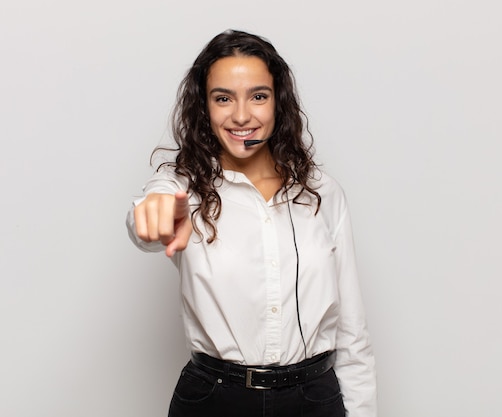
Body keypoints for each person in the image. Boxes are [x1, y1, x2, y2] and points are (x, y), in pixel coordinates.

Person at [126, 29, 377, 417]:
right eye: (223, 98)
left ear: (279, 102)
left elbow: (352, 331)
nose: (241, 115)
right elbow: (147, 218)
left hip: (314, 398)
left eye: (258, 96)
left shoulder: (323, 193)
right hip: (214, 399)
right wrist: (154, 207)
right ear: (203, 108)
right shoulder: (183, 190)